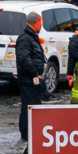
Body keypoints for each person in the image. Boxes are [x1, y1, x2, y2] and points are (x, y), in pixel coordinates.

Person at [15, 11, 47, 143]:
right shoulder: (25, 38)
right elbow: (23, 58)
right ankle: (26, 135)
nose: (41, 26)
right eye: (41, 22)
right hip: (28, 79)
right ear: (37, 22)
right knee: (28, 107)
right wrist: (35, 73)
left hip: (32, 79)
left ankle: (33, 132)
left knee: (34, 106)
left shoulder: (31, 37)